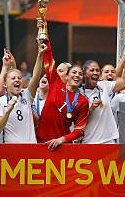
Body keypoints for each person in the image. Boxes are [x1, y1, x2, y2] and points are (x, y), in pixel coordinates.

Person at [36, 18, 89, 150]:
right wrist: (44, 32)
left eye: (80, 74)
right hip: (40, 140)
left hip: (62, 145)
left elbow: (80, 130)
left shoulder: (82, 101)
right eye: (74, 72)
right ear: (67, 76)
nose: (77, 75)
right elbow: (49, 58)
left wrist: (62, 139)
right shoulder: (55, 83)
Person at [0, 43, 46, 143]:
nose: (17, 80)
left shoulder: (27, 95)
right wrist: (8, 111)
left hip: (30, 150)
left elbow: (35, 76)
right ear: (5, 84)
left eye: (19, 78)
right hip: (11, 152)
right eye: (13, 78)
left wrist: (40, 55)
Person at [80, 51, 125, 143]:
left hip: (108, 140)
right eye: (92, 70)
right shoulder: (78, 93)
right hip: (87, 141)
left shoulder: (103, 86)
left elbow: (124, 81)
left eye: (97, 70)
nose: (95, 72)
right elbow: (78, 119)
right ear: (84, 74)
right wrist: (91, 108)